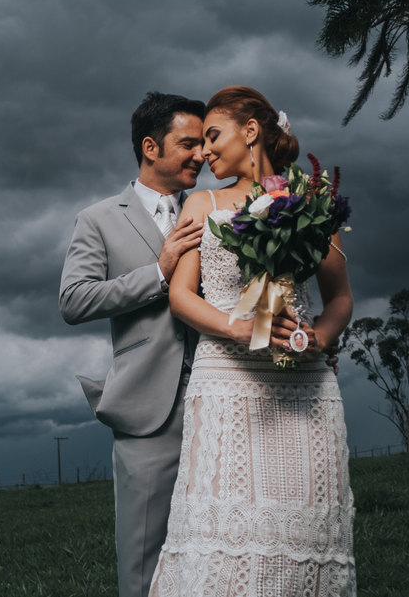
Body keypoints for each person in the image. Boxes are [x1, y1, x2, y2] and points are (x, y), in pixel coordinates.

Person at [150, 86, 356, 596]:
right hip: (226, 383)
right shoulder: (201, 202)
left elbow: (340, 299)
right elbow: (181, 296)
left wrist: (317, 338)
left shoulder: (313, 201)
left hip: (305, 386)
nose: (204, 151)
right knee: (224, 536)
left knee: (305, 529)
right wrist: (238, 327)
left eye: (213, 136)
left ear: (250, 131)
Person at [59, 91, 206, 597]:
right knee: (143, 561)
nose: (201, 155)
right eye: (188, 143)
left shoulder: (215, 212)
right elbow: (73, 300)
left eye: (204, 143)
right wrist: (158, 273)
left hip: (222, 400)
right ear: (150, 147)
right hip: (147, 409)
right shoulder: (98, 218)